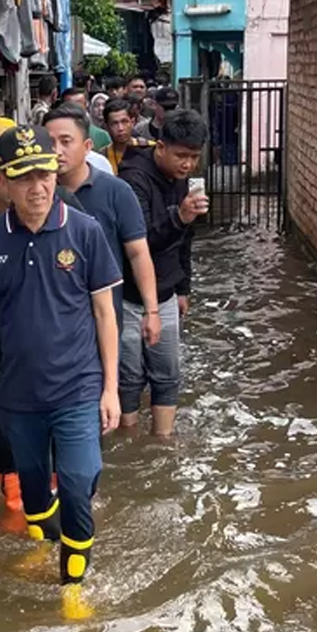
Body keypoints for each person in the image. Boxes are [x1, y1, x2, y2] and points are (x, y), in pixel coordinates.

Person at [0, 124, 123, 620]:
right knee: (33, 492)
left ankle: (72, 587)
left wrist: (111, 387)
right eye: (25, 177)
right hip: (16, 396)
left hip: (76, 388)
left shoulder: (85, 232)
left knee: (77, 483)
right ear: (4, 182)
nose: (38, 187)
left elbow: (104, 313)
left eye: (46, 174)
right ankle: (46, 542)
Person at [0, 118, 86, 518]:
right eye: (8, 172)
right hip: (0, 347)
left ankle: (63, 501)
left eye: (35, 173)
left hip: (57, 348)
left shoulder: (66, 210)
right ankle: (17, 508)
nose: (25, 184)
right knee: (4, 431)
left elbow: (92, 295)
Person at [116, 110, 209, 436]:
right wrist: (179, 217)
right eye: (181, 156)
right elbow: (138, 242)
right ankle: (128, 439)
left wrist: (184, 287)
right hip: (129, 295)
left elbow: (186, 241)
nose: (187, 165)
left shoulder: (182, 180)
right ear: (161, 147)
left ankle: (162, 443)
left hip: (167, 292)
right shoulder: (133, 180)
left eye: (194, 157)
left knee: (167, 374)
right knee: (128, 376)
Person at [44, 103, 161, 345]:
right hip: (50, 322)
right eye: (50, 143)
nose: (57, 151)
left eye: (66, 141)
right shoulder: (37, 196)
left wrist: (151, 311)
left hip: (102, 319)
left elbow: (138, 253)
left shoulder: (116, 191)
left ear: (87, 146)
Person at [100, 98, 154, 175]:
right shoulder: (102, 156)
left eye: (124, 122)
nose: (120, 128)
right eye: (114, 123)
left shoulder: (150, 148)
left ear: (132, 122)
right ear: (106, 126)